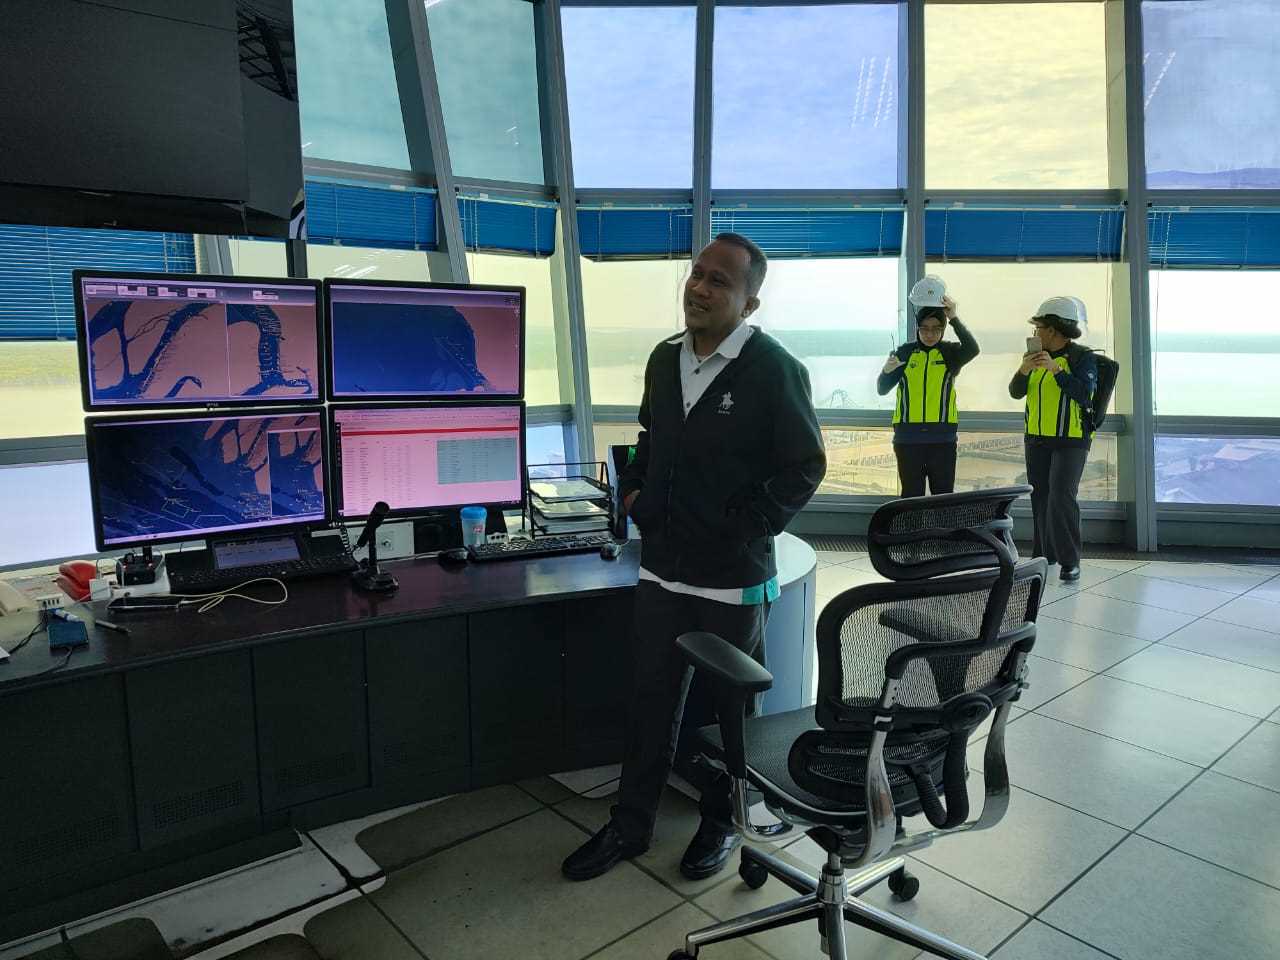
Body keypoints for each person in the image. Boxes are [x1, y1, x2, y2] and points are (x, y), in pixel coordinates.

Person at [561, 233, 826, 883]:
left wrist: (744, 526)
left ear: (749, 303)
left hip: (732, 580)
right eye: (697, 274)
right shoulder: (665, 358)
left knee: (732, 713)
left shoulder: (774, 369)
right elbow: (650, 439)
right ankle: (630, 824)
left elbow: (805, 465)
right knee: (649, 702)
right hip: (662, 571)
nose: (700, 289)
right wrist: (635, 496)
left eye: (719, 282)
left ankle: (724, 819)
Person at [1009, 296, 1098, 583]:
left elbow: (1084, 394)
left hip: (1070, 440)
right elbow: (1015, 392)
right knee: (1041, 498)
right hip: (1036, 438)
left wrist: (1056, 370)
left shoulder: (1081, 357)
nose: (1035, 333)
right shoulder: (1035, 359)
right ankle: (1043, 556)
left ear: (1054, 330)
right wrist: (1024, 370)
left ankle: (1070, 561)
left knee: (1062, 497)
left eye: (1039, 327)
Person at [877, 275, 980, 497]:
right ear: (918, 328)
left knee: (942, 497)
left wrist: (954, 317)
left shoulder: (950, 353)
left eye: (936, 329)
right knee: (911, 497)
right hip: (907, 438)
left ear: (943, 329)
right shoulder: (905, 352)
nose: (930, 334)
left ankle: (940, 527)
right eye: (924, 329)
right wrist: (886, 371)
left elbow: (973, 349)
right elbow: (882, 389)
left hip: (942, 438)